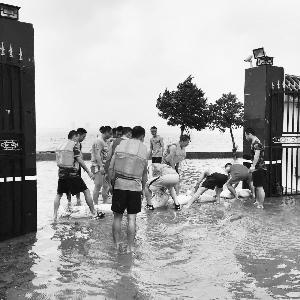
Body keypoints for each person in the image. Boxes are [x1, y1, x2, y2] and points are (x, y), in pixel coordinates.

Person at [108, 126, 148, 252]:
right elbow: (144, 174)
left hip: (119, 185)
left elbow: (111, 168)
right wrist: (142, 189)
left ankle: (116, 245)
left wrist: (111, 185)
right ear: (142, 136)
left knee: (117, 217)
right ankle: (130, 247)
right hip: (135, 187)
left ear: (131, 134)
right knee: (132, 218)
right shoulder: (143, 149)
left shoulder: (121, 145)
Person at [54, 130, 103, 222]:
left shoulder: (60, 146)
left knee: (59, 194)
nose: (78, 139)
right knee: (86, 191)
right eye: (78, 137)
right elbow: (80, 160)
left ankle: (54, 216)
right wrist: (88, 172)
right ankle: (93, 213)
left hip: (61, 174)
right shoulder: (74, 146)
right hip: (72, 174)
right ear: (75, 136)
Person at [245, 127, 266, 208]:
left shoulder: (256, 143)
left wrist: (253, 166)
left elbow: (256, 156)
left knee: (260, 187)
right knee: (257, 186)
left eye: (245, 135)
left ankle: (261, 205)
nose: (245, 138)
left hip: (259, 168)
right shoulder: (254, 142)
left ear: (249, 134)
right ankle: (257, 201)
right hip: (257, 168)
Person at [91, 125, 112, 204]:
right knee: (98, 185)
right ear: (106, 132)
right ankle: (95, 204)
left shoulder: (105, 141)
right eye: (110, 133)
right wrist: (101, 166)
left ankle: (105, 202)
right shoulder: (98, 141)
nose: (111, 135)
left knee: (105, 186)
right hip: (97, 166)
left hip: (104, 166)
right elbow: (97, 155)